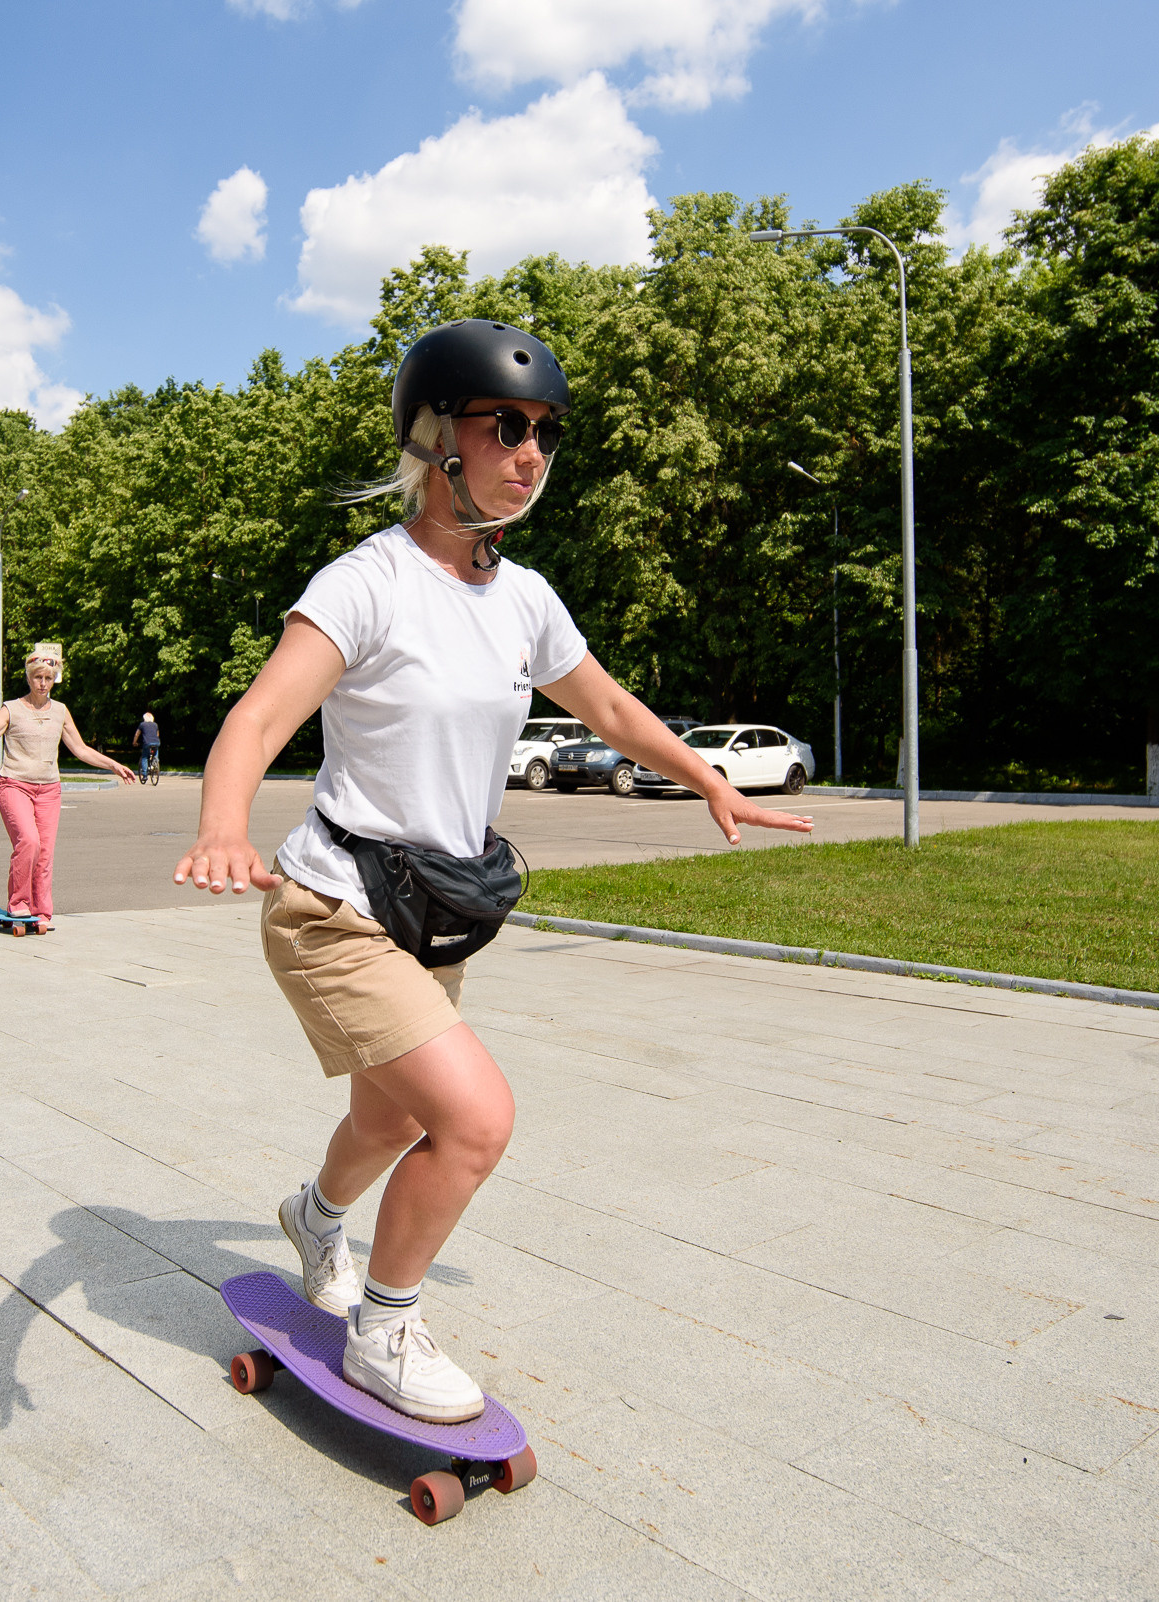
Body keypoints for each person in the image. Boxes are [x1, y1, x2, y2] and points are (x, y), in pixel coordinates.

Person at [173, 320, 814, 1422]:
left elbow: (604, 707)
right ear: (436, 439)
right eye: (506, 426)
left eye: (547, 435)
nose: (531, 453)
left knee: (394, 1123)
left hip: (434, 913)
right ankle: (386, 1326)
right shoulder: (367, 582)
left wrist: (706, 776)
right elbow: (259, 713)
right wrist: (225, 822)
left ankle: (317, 1219)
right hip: (335, 906)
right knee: (474, 1120)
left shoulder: (524, 598)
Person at [0, 651, 135, 932]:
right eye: (38, 677)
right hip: (14, 784)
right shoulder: (11, 709)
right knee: (28, 842)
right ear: (28, 678)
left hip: (49, 790)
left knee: (45, 852)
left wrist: (114, 765)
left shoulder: (60, 711)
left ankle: (41, 910)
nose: (43, 683)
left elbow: (81, 749)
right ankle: (19, 903)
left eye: (48, 678)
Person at [133, 712, 162, 784]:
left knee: (144, 757)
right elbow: (157, 734)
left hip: (147, 743)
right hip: (156, 742)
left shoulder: (142, 724)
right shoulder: (155, 725)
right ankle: (155, 763)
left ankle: (145, 775)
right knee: (155, 753)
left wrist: (134, 742)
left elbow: (137, 734)